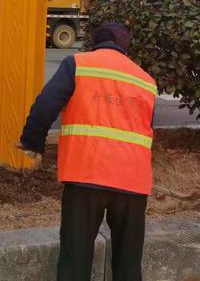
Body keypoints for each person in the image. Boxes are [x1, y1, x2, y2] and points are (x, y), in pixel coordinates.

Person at [17, 23, 156, 281]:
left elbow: (46, 103)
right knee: (128, 264)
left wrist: (32, 141)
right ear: (126, 47)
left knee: (75, 260)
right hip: (133, 182)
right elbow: (147, 129)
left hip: (86, 175)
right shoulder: (146, 81)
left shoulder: (78, 64)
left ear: (95, 42)